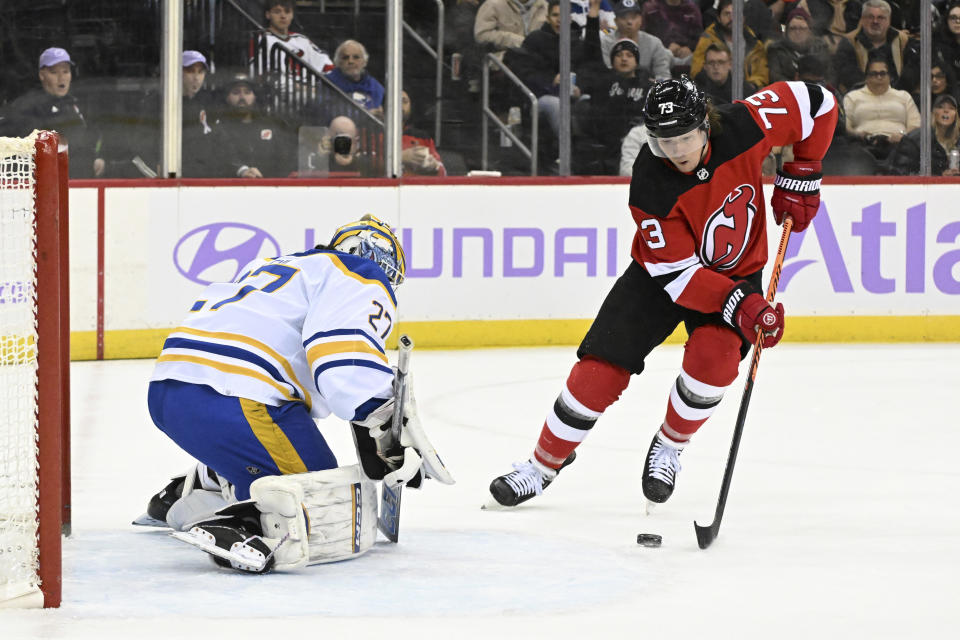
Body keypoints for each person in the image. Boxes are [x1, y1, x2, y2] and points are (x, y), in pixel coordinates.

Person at [487, 75, 837, 509]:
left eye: (686, 139)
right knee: (599, 371)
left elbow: (818, 102)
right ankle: (540, 467)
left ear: (706, 125)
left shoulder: (747, 123)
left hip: (737, 271)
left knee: (716, 358)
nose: (677, 152)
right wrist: (745, 306)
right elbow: (682, 278)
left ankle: (670, 446)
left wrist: (804, 170)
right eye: (664, 142)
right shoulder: (651, 181)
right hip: (661, 278)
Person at [139, 215, 452, 573]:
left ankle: (199, 486)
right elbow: (341, 361)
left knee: (288, 444)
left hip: (169, 391)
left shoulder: (277, 266)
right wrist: (385, 424)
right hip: (237, 401)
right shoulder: (362, 274)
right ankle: (244, 524)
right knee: (326, 503)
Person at [0, 47, 104, 178]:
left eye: (65, 71)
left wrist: (96, 158)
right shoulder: (26, 106)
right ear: (42, 75)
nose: (61, 78)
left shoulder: (76, 104)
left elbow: (91, 137)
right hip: (43, 189)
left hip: (80, 186)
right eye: (54, 72)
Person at [215, 73, 299, 178]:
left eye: (247, 92)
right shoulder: (218, 129)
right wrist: (241, 171)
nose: (242, 97)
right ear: (227, 98)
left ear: (254, 97)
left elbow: (286, 161)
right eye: (236, 92)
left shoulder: (271, 125)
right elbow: (220, 161)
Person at [843, 54, 920, 159]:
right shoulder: (852, 97)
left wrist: (903, 136)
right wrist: (857, 134)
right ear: (866, 77)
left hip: (899, 146)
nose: (878, 77)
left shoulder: (904, 96)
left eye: (883, 73)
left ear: (890, 77)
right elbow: (845, 125)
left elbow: (916, 125)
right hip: (862, 146)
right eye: (874, 74)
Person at [833, 0, 914, 93]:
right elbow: (848, 75)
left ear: (889, 20)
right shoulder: (849, 41)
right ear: (862, 19)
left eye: (881, 18)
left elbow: (910, 75)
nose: (875, 21)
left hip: (898, 96)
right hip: (861, 97)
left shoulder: (903, 40)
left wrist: (893, 93)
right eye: (870, 17)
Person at [690, 0, 769, 90]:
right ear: (719, 18)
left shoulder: (755, 45)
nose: (732, 19)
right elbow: (696, 71)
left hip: (746, 96)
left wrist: (749, 88)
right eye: (727, 14)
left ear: (744, 18)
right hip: (714, 92)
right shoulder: (707, 39)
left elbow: (761, 76)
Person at [250, 0, 335, 78]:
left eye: (287, 12)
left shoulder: (302, 40)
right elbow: (260, 74)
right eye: (277, 12)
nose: (283, 16)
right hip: (277, 92)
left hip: (309, 91)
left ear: (292, 15)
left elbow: (326, 64)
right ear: (267, 15)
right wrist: (296, 86)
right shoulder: (261, 39)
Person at [886, 93, 960, 176]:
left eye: (951, 108)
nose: (946, 111)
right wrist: (939, 176)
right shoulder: (916, 139)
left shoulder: (958, 142)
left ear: (956, 115)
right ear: (933, 113)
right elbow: (900, 173)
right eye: (940, 107)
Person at [599, 0, 673, 81]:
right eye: (624, 18)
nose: (629, 22)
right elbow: (606, 74)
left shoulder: (654, 43)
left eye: (633, 17)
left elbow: (664, 76)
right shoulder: (605, 42)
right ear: (616, 21)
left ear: (641, 19)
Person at [765, 8, 830, 84]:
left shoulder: (820, 47)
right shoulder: (776, 49)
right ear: (787, 31)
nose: (797, 32)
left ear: (809, 30)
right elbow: (775, 76)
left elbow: (829, 74)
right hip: (788, 91)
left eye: (802, 28)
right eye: (793, 28)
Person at [473, 0, 549, 63]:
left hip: (540, 61)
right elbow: (482, 35)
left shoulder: (545, 7)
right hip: (503, 63)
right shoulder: (492, 4)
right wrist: (517, 40)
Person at [325, 40, 385, 118]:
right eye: (345, 58)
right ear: (338, 63)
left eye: (356, 57)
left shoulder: (376, 87)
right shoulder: (327, 83)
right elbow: (328, 113)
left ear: (365, 62)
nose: (350, 61)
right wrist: (365, 115)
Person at [641, 0, 703, 65]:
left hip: (686, 56)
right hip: (658, 55)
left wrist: (690, 48)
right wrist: (665, 47)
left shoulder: (692, 8)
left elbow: (699, 35)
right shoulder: (650, 8)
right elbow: (644, 36)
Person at [401, 91, 446, 176]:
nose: (400, 105)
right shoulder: (375, 133)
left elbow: (443, 172)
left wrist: (434, 166)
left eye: (404, 101)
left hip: (418, 187)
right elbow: (369, 166)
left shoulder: (422, 137)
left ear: (410, 106)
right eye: (394, 100)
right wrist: (400, 157)